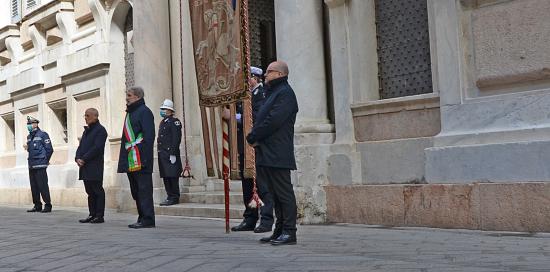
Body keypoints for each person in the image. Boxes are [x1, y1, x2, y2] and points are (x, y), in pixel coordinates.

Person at [246, 61, 299, 246]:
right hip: (268, 151)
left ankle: (290, 231)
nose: (265, 75)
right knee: (275, 195)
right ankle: (279, 230)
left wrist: (254, 135)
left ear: (278, 74)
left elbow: (272, 120)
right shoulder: (273, 92)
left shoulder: (285, 93)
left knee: (284, 194)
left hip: (278, 152)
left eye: (268, 72)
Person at [230, 66, 274, 233]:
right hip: (245, 146)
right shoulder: (244, 97)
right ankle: (250, 217)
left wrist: (235, 117)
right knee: (247, 184)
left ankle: (266, 218)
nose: (246, 81)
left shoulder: (261, 94)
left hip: (257, 147)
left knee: (262, 185)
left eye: (248, 77)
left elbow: (258, 116)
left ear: (256, 78)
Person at [117, 86, 156, 229]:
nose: (127, 98)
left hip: (140, 158)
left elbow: (149, 136)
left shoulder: (145, 112)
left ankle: (148, 219)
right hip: (130, 158)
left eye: (129, 95)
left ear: (137, 97)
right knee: (136, 190)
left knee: (144, 189)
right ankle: (141, 217)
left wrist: (143, 157)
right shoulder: (130, 113)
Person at [75, 108, 108, 224]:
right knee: (89, 191)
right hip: (84, 166)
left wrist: (83, 158)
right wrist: (77, 158)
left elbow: (97, 148)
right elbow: (80, 146)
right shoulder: (86, 131)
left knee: (97, 190)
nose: (85, 117)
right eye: (85, 115)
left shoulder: (100, 130)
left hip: (94, 166)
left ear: (95, 116)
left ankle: (99, 215)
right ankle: (92, 214)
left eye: (88, 115)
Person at [25, 116, 54, 213]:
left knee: (43, 185)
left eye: (30, 124)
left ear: (35, 124)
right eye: (28, 124)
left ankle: (48, 205)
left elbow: (49, 149)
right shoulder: (29, 137)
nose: (28, 126)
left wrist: (45, 161)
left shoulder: (43, 134)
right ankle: (37, 205)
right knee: (34, 186)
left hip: (40, 164)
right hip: (31, 165)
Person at [157, 99, 183, 206]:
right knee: (166, 176)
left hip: (170, 153)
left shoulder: (174, 122)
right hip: (163, 154)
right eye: (162, 109)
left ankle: (174, 197)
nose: (162, 111)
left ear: (170, 110)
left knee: (172, 176)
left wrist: (173, 153)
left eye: (164, 109)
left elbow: (176, 138)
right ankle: (169, 196)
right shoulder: (163, 122)